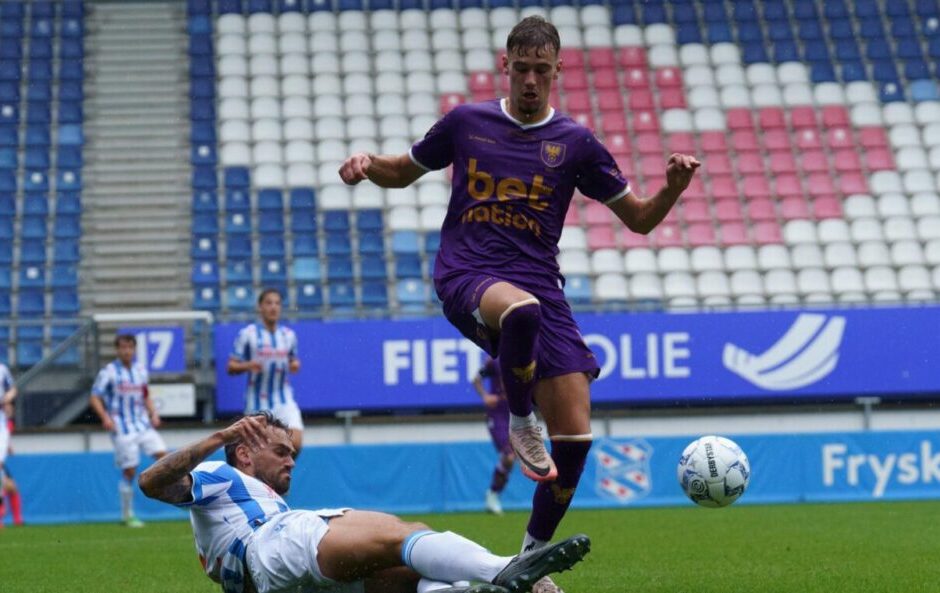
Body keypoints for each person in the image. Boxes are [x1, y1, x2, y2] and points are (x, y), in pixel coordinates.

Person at [339, 15, 699, 592]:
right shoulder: (466, 122)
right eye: (522, 68)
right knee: (521, 312)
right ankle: (520, 418)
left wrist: (674, 188)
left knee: (577, 442)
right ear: (505, 66)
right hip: (467, 272)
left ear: (559, 70)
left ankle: (527, 565)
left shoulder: (576, 143)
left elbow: (638, 220)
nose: (531, 80)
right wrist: (366, 165)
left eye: (542, 70)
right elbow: (402, 173)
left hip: (539, 284)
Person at [139, 412, 591, 593]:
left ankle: (478, 589)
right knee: (400, 533)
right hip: (269, 548)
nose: (291, 463)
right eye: (280, 452)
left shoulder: (246, 505)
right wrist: (221, 436)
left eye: (293, 455)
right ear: (244, 452)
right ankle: (507, 568)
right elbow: (151, 482)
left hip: (282, 581)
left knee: (407, 577)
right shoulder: (223, 474)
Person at [89, 333, 167, 527]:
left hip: (142, 424)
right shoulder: (109, 372)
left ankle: (179, 498)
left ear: (134, 349)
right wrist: (105, 417)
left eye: (130, 347)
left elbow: (145, 395)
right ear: (117, 350)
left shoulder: (140, 370)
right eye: (122, 347)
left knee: (165, 457)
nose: (126, 351)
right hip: (122, 427)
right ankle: (127, 513)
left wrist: (153, 414)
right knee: (130, 470)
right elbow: (94, 397)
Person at [227, 288, 303, 453]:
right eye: (268, 303)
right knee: (259, 450)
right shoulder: (248, 334)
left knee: (295, 444)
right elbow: (231, 367)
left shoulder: (288, 335)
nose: (273, 307)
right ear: (260, 307)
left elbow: (293, 359)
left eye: (277, 303)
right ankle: (263, 478)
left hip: (283, 399)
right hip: (257, 401)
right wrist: (248, 365)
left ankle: (279, 475)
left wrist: (295, 364)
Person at [472, 356, 514, 516]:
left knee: (511, 459)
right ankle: (493, 494)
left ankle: (493, 493)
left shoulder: (526, 355)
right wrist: (485, 396)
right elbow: (476, 378)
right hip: (497, 414)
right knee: (509, 455)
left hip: (516, 412)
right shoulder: (494, 361)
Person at [0, 362, 23, 526]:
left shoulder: (2, 370)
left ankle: (13, 518)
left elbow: (13, 389)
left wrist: (7, 397)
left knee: (10, 485)